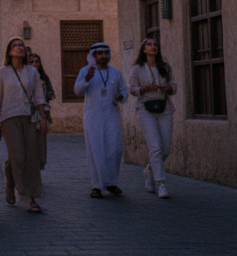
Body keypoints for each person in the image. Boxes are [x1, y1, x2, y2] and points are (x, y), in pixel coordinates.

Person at [0, 37, 48, 213]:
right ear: (9, 52)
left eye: (21, 46)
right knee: (18, 156)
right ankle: (19, 191)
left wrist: (43, 117)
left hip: (29, 117)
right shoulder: (2, 73)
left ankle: (30, 197)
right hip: (9, 118)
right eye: (14, 46)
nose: (19, 48)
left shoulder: (32, 72)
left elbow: (39, 95)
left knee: (31, 158)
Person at [74, 42, 129, 198]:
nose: (104, 56)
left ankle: (111, 183)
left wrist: (120, 96)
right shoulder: (86, 71)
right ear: (93, 55)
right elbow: (77, 90)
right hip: (93, 117)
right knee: (96, 151)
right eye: (100, 53)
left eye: (106, 52)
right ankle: (97, 186)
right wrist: (86, 79)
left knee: (114, 150)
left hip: (112, 116)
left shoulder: (116, 73)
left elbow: (123, 90)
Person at [129, 38, 177, 199]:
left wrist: (168, 88)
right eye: (149, 44)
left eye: (155, 44)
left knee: (165, 148)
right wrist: (145, 88)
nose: (153, 47)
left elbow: (174, 86)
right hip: (145, 108)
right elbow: (132, 88)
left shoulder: (165, 67)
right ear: (143, 49)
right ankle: (160, 183)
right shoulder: (137, 69)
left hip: (165, 108)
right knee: (155, 147)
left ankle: (150, 170)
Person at [27, 53, 55, 170]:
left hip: (42, 112)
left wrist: (43, 100)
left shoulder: (43, 77)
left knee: (41, 142)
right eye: (31, 61)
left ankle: (39, 167)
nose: (34, 64)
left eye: (36, 61)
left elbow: (50, 92)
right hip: (29, 113)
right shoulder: (26, 77)